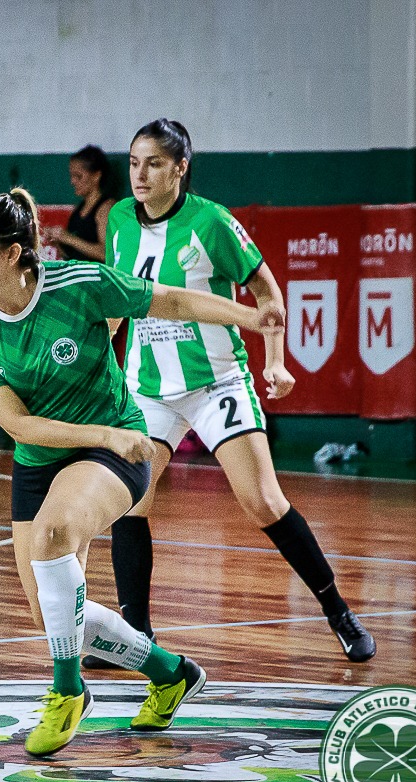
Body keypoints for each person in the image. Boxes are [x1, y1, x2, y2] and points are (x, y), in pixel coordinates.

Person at [0, 187, 284, 756]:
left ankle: (67, 691)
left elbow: (171, 302)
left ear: (13, 253)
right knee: (55, 617)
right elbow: (21, 427)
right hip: (61, 452)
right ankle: (170, 672)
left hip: (118, 454)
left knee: (53, 540)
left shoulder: (80, 285)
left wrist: (251, 316)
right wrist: (104, 435)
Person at [93, 118, 377, 668]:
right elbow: (117, 299)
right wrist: (95, 365)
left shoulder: (211, 221)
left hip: (215, 380)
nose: (140, 175)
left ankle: (339, 613)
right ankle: (136, 636)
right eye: (133, 163)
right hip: (147, 385)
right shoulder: (121, 220)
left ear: (181, 167)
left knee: (264, 502)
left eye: (153, 163)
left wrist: (276, 361)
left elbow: (266, 290)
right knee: (130, 502)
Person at [42, 145, 115, 262]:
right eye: (72, 176)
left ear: (96, 176)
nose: (73, 181)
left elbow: (106, 254)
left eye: (78, 176)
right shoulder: (79, 209)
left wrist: (68, 238)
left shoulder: (106, 208)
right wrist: (58, 242)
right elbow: (73, 255)